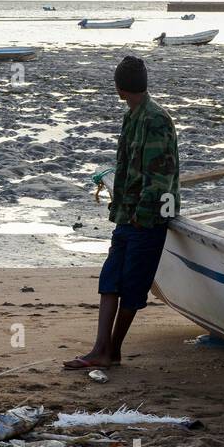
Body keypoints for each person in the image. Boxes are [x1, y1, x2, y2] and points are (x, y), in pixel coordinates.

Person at [64, 55, 179, 370]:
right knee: (110, 278)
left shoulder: (156, 120)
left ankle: (112, 351)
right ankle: (101, 349)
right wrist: (120, 210)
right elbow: (125, 168)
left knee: (132, 287)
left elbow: (160, 180)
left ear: (119, 87)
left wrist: (139, 216)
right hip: (128, 217)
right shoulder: (132, 117)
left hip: (148, 220)